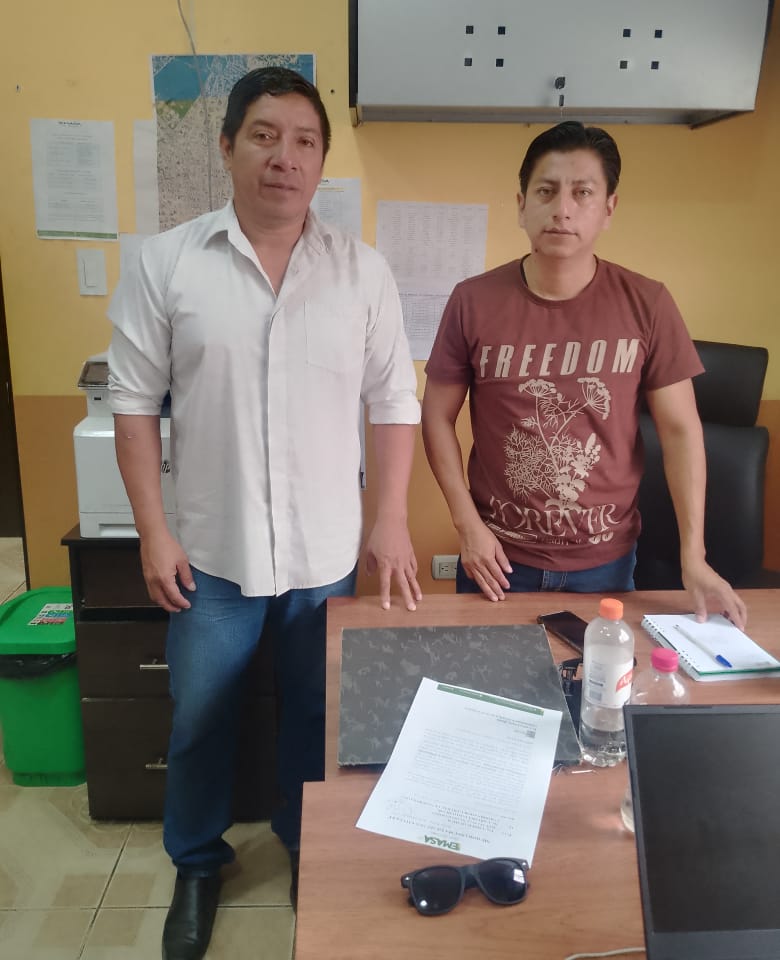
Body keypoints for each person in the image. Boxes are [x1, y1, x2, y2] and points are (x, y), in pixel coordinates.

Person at [107, 66, 422, 960]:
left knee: (317, 719)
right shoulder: (168, 262)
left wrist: (391, 519)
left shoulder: (362, 271)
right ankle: (197, 862)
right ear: (228, 146)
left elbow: (394, 401)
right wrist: (153, 531)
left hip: (327, 554)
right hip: (212, 554)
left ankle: (304, 841)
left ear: (321, 161)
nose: (286, 157)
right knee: (200, 718)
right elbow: (132, 405)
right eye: (265, 136)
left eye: (305, 141)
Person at [422, 120, 747, 630]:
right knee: (494, 681)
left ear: (608, 208)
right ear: (521, 205)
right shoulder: (473, 301)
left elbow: (681, 431)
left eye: (582, 192)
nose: (563, 209)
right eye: (546, 191)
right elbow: (436, 416)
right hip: (498, 560)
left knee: (600, 677)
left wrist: (694, 556)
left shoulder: (647, 304)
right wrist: (466, 525)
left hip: (606, 566)